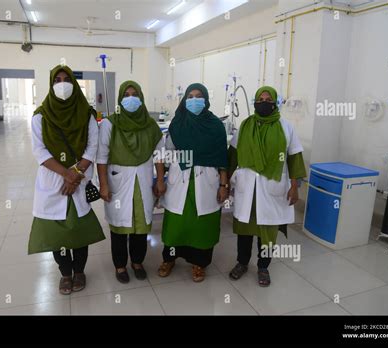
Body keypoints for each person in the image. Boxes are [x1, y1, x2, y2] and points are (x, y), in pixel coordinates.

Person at [28, 65, 105, 295]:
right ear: (51, 85)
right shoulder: (40, 116)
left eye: (67, 79)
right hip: (54, 183)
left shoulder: (87, 114)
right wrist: (67, 174)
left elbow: (92, 147)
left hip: (78, 182)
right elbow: (39, 152)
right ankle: (65, 273)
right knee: (58, 233)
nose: (62, 84)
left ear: (74, 83)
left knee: (79, 231)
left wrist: (77, 175)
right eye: (57, 80)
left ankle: (79, 271)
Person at [228, 86, 307, 286]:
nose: (264, 102)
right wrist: (225, 181)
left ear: (274, 102)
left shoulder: (285, 127)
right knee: (245, 229)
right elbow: (233, 155)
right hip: (247, 188)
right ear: (255, 102)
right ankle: (242, 263)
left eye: (268, 99)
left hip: (273, 188)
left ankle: (263, 267)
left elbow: (295, 158)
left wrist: (295, 185)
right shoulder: (246, 125)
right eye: (260, 99)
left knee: (268, 231)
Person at [158, 83, 229, 282]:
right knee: (175, 224)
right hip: (179, 179)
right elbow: (167, 153)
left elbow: (222, 158)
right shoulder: (177, 124)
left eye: (199, 96)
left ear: (206, 100)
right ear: (184, 100)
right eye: (190, 96)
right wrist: (161, 180)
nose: (194, 99)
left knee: (202, 224)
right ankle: (169, 259)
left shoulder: (215, 125)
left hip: (207, 180)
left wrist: (223, 185)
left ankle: (200, 263)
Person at [97, 80, 165, 284]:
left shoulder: (150, 125)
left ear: (141, 97)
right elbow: (101, 157)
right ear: (120, 99)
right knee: (119, 227)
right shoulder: (110, 123)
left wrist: (160, 179)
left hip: (143, 180)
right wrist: (103, 185)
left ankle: (137, 262)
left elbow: (160, 154)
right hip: (118, 180)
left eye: (134, 94)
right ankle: (120, 265)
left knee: (141, 226)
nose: (130, 98)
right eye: (126, 95)